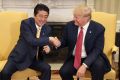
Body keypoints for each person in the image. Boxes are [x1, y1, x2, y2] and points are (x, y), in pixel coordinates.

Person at [50, 5, 111, 80]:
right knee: (64, 71)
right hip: (75, 58)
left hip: (92, 57)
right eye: (74, 16)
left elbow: (97, 49)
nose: (73, 19)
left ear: (86, 18)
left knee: (98, 66)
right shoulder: (69, 26)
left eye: (76, 17)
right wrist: (58, 43)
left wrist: (84, 65)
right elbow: (64, 41)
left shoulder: (98, 28)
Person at [1, 3, 55, 80]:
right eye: (40, 16)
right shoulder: (26, 23)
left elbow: (47, 44)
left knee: (47, 68)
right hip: (19, 57)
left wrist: (49, 48)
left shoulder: (47, 28)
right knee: (5, 73)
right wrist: (49, 39)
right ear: (35, 15)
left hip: (33, 60)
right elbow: (31, 41)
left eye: (45, 17)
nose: (43, 19)